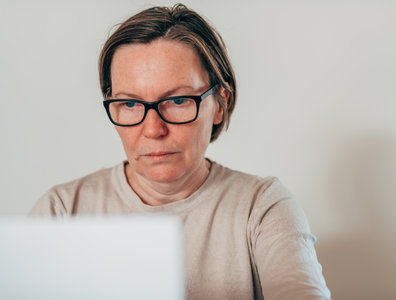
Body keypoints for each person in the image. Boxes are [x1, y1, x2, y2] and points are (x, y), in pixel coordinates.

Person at [30, 3, 331, 299]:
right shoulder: (62, 211)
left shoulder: (261, 206)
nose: (153, 129)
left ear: (220, 105)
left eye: (177, 101)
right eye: (131, 104)